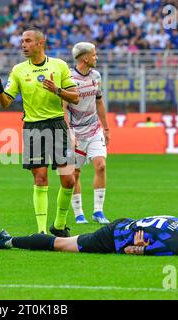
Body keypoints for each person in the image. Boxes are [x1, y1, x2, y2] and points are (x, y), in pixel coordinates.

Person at [0, 28, 79, 237]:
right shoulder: (18, 70)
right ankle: (42, 232)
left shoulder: (59, 65)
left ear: (40, 43)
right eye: (22, 41)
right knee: (40, 178)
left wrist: (57, 90)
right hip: (33, 128)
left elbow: (75, 97)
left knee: (69, 180)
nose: (23, 45)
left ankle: (59, 225)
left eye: (28, 41)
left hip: (57, 125)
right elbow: (5, 103)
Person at [0, 215, 178, 256]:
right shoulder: (173, 246)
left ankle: (9, 240)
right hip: (113, 237)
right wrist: (140, 248)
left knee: (66, 242)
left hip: (124, 223)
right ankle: (8, 241)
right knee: (62, 244)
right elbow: (130, 250)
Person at [65, 42, 111, 225]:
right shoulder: (68, 78)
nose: (96, 57)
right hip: (75, 130)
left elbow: (99, 102)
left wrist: (106, 128)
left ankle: (98, 212)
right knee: (74, 173)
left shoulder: (96, 76)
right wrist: (69, 132)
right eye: (94, 54)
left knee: (101, 166)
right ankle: (79, 213)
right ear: (85, 58)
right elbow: (64, 108)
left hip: (93, 129)